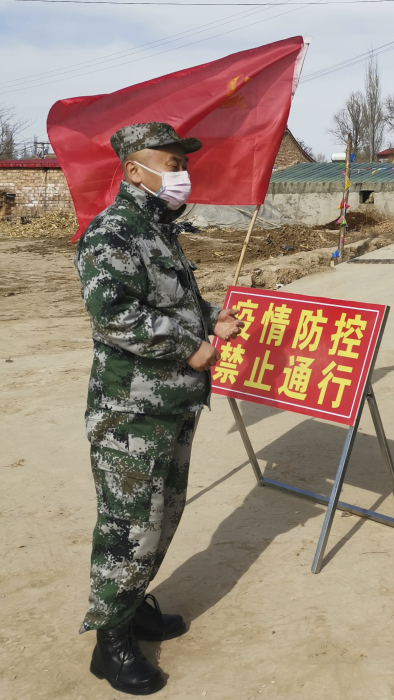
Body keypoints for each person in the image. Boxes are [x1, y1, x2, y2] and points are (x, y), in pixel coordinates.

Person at [75, 122, 243, 695]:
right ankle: (110, 641)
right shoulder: (113, 233)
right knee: (128, 527)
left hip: (169, 405)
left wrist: (212, 317)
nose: (181, 175)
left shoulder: (159, 231)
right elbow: (115, 314)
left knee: (162, 518)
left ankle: (133, 606)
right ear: (134, 170)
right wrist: (189, 346)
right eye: (170, 165)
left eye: (181, 164)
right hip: (131, 413)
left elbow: (175, 301)